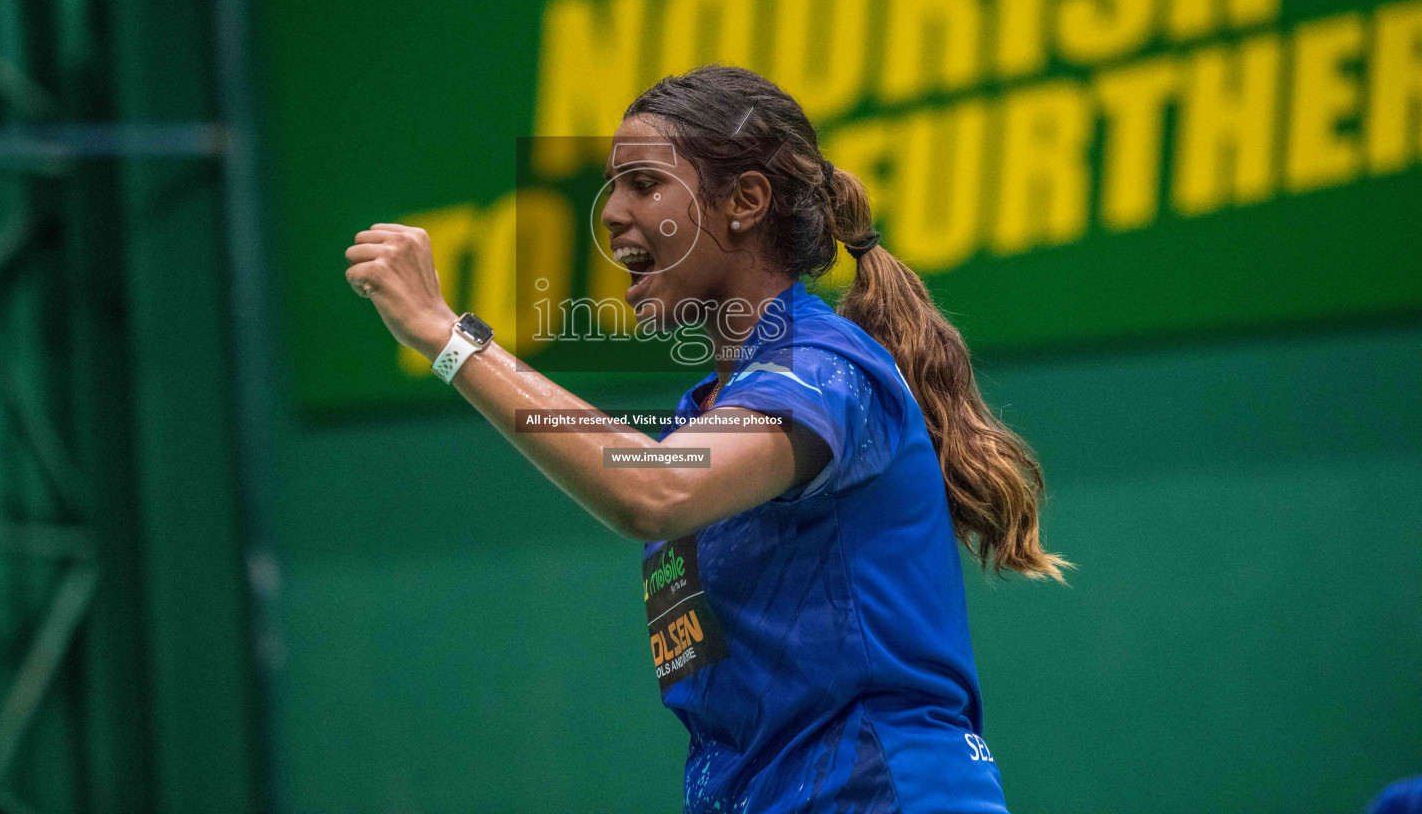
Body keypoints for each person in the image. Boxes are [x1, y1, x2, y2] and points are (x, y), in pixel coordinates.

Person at [344, 65, 1069, 813]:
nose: (613, 213)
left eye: (643, 183)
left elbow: (654, 490)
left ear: (745, 202)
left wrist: (444, 336)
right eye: (612, 186)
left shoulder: (826, 369)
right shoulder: (710, 413)